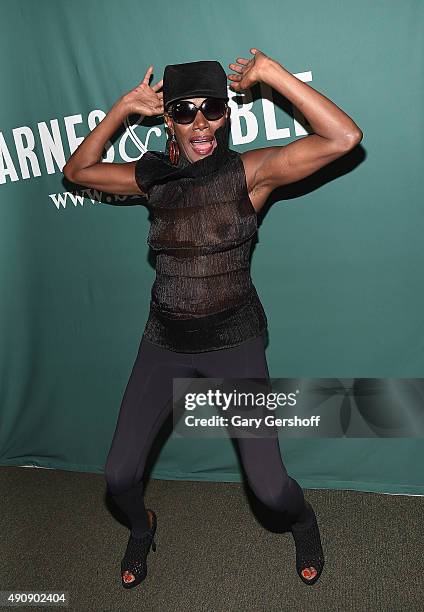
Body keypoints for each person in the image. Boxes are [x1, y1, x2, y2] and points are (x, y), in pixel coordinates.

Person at [63, 48, 362, 589]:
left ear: (227, 114)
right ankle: (141, 527)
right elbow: (77, 170)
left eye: (212, 109)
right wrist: (122, 108)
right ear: (168, 121)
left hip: (234, 341)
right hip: (164, 344)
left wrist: (272, 75)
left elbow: (343, 138)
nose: (200, 123)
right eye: (183, 111)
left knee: (270, 491)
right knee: (119, 476)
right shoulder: (151, 176)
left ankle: (304, 520)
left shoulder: (250, 173)